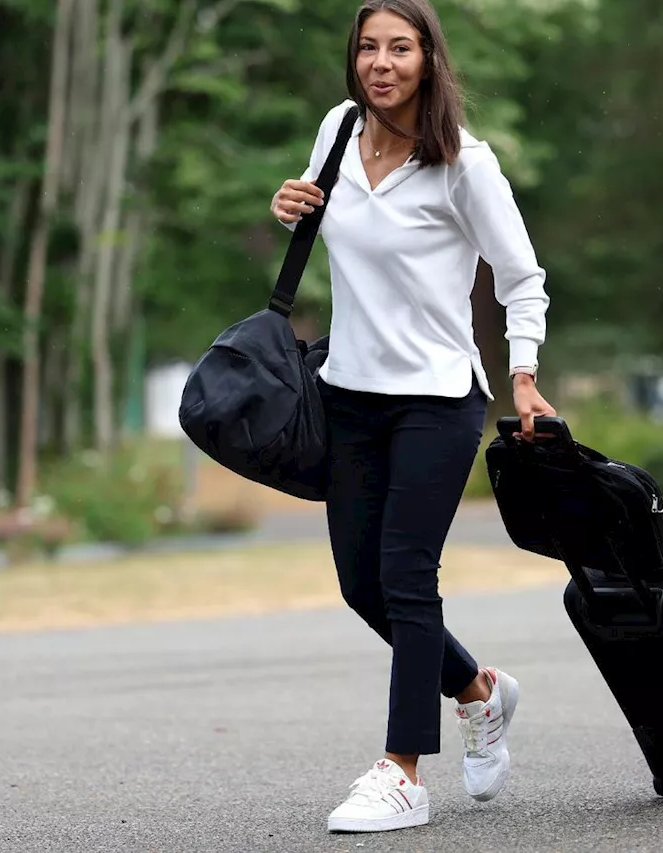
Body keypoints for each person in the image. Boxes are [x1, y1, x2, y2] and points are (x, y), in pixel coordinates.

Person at [269, 0, 556, 834]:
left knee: (405, 575)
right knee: (363, 585)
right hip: (348, 393)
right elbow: (330, 221)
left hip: (437, 396)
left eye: (400, 48)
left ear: (430, 59)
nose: (381, 63)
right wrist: (292, 206)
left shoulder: (465, 162)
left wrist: (525, 374)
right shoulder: (335, 133)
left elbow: (522, 275)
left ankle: (402, 771)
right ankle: (480, 691)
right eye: (368, 48)